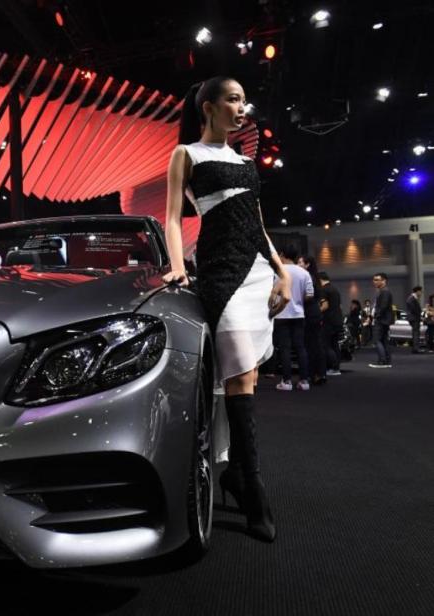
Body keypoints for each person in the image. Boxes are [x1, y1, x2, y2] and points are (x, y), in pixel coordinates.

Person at [163, 76, 289, 542]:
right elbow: (173, 217)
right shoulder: (187, 155)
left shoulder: (244, 161)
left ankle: (239, 474)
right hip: (218, 269)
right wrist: (178, 266)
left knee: (247, 376)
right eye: (233, 99)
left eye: (243, 99)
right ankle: (250, 486)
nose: (242, 107)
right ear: (209, 106)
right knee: (237, 369)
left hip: (257, 269)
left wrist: (282, 271)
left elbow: (258, 222)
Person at [274, 247, 312, 391]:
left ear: (282, 254)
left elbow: (273, 293)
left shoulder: (277, 271)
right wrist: (297, 299)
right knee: (300, 347)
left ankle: (287, 382)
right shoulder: (304, 272)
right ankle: (304, 381)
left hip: (281, 314)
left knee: (285, 348)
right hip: (299, 314)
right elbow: (309, 295)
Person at [297, 256, 326, 384]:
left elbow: (309, 295)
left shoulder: (308, 277)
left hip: (309, 313)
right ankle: (319, 374)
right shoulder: (315, 277)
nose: (297, 264)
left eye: (299, 262)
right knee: (316, 344)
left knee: (310, 345)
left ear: (307, 264)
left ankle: (313, 374)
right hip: (315, 312)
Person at [318, 271, 344, 375]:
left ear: (320, 279)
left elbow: (325, 306)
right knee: (335, 345)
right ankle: (336, 368)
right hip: (337, 320)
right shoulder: (335, 289)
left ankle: (333, 367)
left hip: (328, 321)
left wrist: (316, 312)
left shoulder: (324, 290)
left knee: (326, 345)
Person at [369, 273, 394, 368]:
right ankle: (386, 361)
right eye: (374, 279)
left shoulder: (384, 291)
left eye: (377, 279)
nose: (374, 281)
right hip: (384, 319)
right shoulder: (383, 291)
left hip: (381, 320)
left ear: (384, 281)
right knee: (384, 341)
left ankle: (382, 361)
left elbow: (383, 306)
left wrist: (376, 316)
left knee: (376, 340)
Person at [405, 286, 424, 354]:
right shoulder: (411, 298)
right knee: (416, 333)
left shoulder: (412, 298)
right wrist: (420, 316)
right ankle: (416, 349)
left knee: (415, 333)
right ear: (417, 291)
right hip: (414, 318)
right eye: (421, 291)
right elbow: (414, 309)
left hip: (414, 317)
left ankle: (415, 348)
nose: (421, 293)